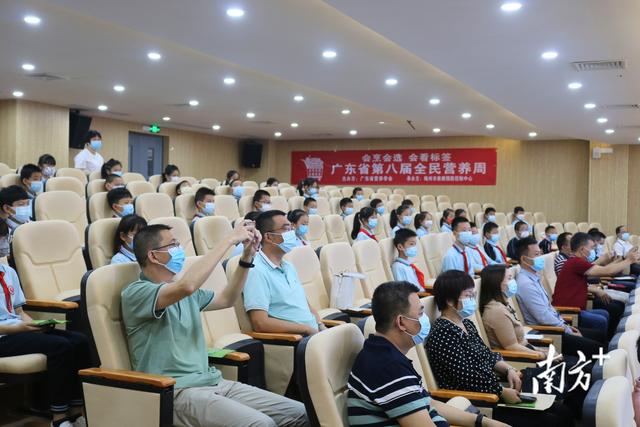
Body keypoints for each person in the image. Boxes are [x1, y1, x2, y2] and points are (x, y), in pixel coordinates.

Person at [122, 222, 308, 426]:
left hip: (213, 381)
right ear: (153, 256)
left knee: (302, 413)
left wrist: (247, 257)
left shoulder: (183, 292)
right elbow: (188, 285)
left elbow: (227, 299)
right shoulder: (136, 292)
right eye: (173, 245)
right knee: (261, 424)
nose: (179, 250)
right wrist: (229, 240)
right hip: (176, 390)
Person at [348, 281, 509, 427]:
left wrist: (483, 422)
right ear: (401, 322)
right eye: (420, 314)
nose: (424, 319)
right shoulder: (389, 368)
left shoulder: (381, 352)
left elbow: (427, 403)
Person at [426, 270, 575, 426]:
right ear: (450, 301)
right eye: (468, 295)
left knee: (562, 410)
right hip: (480, 400)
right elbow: (466, 376)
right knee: (554, 420)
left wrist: (509, 370)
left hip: (496, 386)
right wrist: (501, 391)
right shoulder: (443, 333)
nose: (472, 300)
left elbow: (487, 354)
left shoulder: (467, 324)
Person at [479, 265, 589, 417]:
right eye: (509, 279)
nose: (513, 282)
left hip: (529, 351)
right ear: (496, 283)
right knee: (576, 368)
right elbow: (512, 347)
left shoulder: (504, 304)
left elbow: (521, 341)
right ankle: (577, 414)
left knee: (576, 365)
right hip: (520, 360)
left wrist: (543, 351)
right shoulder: (496, 311)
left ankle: (575, 410)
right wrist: (544, 355)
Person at [0, 262, 91, 427]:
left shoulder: (8, 271)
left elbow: (19, 312)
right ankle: (59, 417)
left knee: (80, 341)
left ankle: (76, 412)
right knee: (59, 346)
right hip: (3, 337)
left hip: (18, 330)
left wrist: (34, 325)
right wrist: (19, 328)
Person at [515, 236, 607, 353]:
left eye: (540, 253)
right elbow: (543, 317)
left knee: (600, 336)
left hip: (558, 326)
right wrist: (566, 329)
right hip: (549, 333)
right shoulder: (526, 284)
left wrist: (565, 325)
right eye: (536, 254)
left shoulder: (534, 277)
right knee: (598, 347)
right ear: (524, 259)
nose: (541, 258)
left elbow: (549, 308)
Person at [244, 210, 325, 335]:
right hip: (295, 340)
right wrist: (307, 329)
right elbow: (260, 323)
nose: (291, 233)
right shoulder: (256, 271)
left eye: (291, 228)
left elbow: (304, 304)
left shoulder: (288, 266)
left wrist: (320, 325)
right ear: (268, 237)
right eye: (286, 229)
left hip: (314, 334)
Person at [554, 232, 631, 339]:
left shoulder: (576, 261)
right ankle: (604, 343)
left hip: (577, 307)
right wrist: (629, 260)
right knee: (601, 319)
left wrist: (622, 260)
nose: (592, 251)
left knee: (605, 314)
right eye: (591, 248)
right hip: (569, 311)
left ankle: (607, 341)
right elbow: (607, 271)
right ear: (582, 249)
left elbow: (600, 271)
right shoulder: (576, 262)